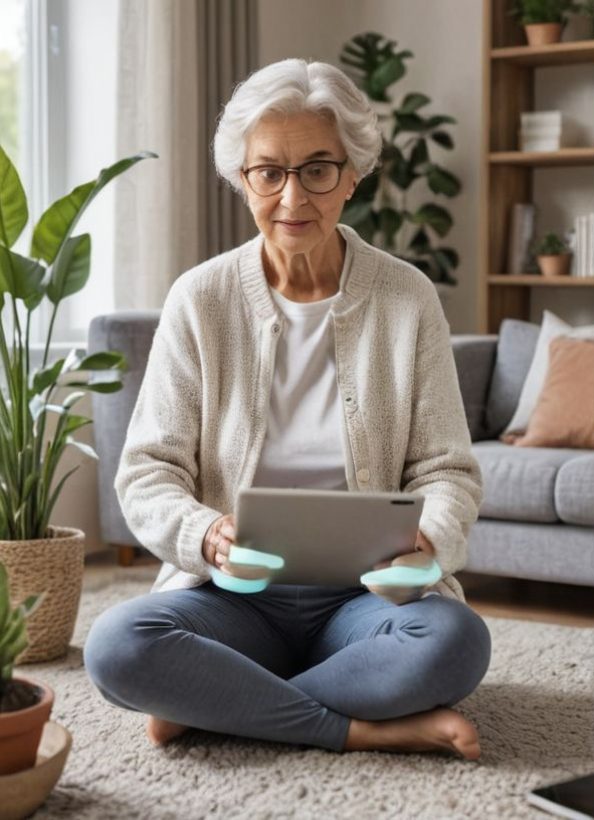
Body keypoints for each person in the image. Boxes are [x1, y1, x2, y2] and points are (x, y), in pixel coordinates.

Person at [84, 58, 491, 759]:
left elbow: (447, 471)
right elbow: (147, 473)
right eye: (268, 171)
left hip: (367, 598)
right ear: (242, 179)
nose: (291, 196)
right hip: (233, 598)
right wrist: (208, 535)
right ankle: (363, 727)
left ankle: (223, 701)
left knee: (455, 641)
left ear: (354, 173)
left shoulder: (408, 297)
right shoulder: (200, 299)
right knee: (117, 645)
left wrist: (431, 544)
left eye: (316, 169)